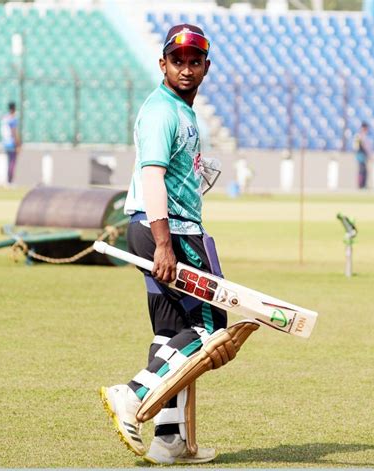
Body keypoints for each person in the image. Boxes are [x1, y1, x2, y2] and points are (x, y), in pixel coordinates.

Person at [99, 24, 257, 465]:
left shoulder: (182, 111)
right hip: (170, 233)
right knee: (210, 330)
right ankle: (132, 394)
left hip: (160, 229)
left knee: (170, 335)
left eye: (194, 61)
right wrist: (164, 245)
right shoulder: (162, 112)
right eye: (177, 60)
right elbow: (152, 176)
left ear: (206, 66)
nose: (186, 69)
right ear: (162, 64)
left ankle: (169, 439)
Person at [0, 102, 21, 185]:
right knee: (12, 162)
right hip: (12, 143)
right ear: (14, 109)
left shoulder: (5, 117)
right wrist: (18, 144)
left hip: (5, 142)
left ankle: (8, 180)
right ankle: (10, 181)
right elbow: (14, 132)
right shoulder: (13, 118)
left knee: (9, 162)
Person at [353, 122, 372, 189]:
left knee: (364, 170)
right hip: (360, 154)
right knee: (362, 170)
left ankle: (363, 185)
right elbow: (357, 146)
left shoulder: (363, 136)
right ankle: (361, 185)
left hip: (363, 154)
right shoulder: (359, 136)